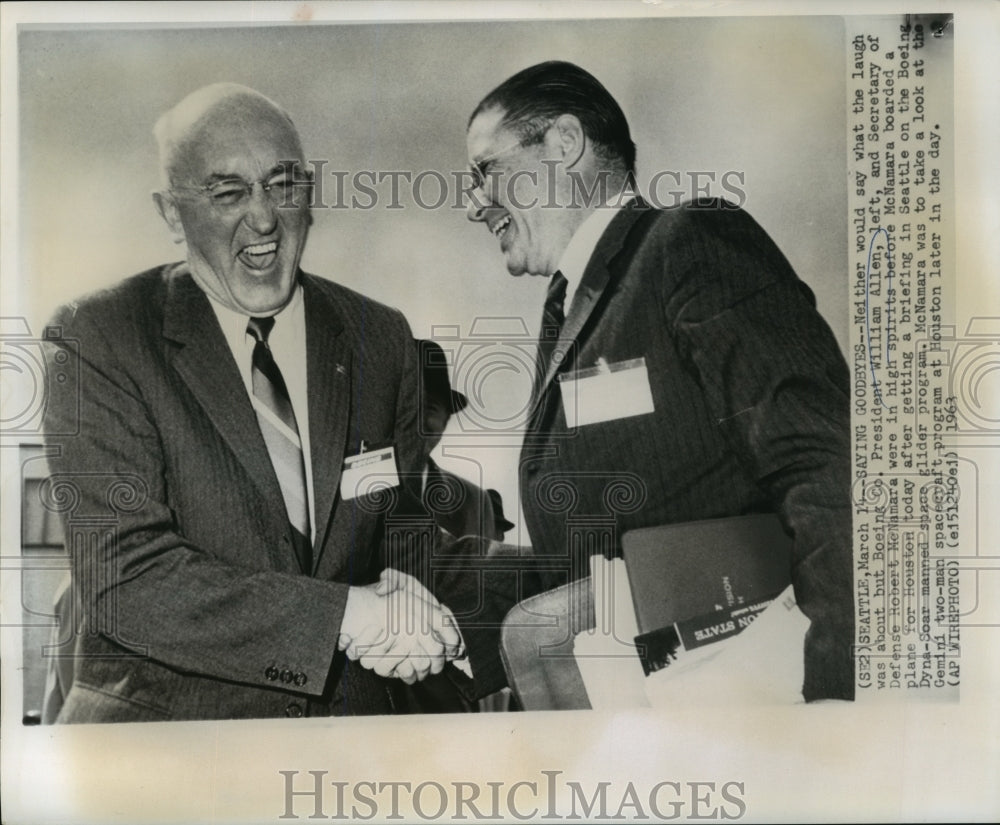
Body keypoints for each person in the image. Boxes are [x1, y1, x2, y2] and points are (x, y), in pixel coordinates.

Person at [40, 83, 462, 722]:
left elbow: (400, 538)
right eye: (228, 192)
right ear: (172, 213)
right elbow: (127, 580)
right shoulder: (99, 337)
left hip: (345, 752)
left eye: (283, 184)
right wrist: (347, 617)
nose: (263, 218)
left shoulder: (381, 337)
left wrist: (421, 609)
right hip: (168, 754)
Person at [460, 61, 855, 702]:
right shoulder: (571, 308)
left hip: (741, 698)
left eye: (484, 172)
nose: (475, 204)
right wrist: (440, 597)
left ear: (564, 143)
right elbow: (599, 556)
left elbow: (826, 465)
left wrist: (838, 692)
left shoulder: (686, 242)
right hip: (634, 696)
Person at [414, 338, 506, 542]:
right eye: (407, 405)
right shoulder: (352, 485)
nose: (414, 420)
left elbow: (484, 571)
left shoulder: (475, 502)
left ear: (446, 420)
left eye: (430, 407)